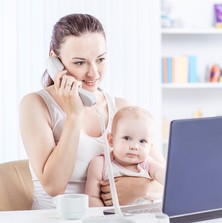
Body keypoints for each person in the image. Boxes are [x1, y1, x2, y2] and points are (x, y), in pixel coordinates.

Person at [20, 13, 165, 210]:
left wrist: (143, 189)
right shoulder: (36, 105)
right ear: (56, 62)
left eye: (100, 59)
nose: (94, 73)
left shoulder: (121, 108)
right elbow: (53, 186)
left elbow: (170, 180)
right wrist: (74, 115)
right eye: (80, 62)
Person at [85, 106, 166, 207]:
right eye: (127, 138)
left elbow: (167, 177)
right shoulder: (101, 164)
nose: (134, 146)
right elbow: (92, 197)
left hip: (147, 217)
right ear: (111, 140)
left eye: (142, 141)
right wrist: (106, 218)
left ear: (150, 146)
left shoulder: (147, 164)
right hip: (114, 219)